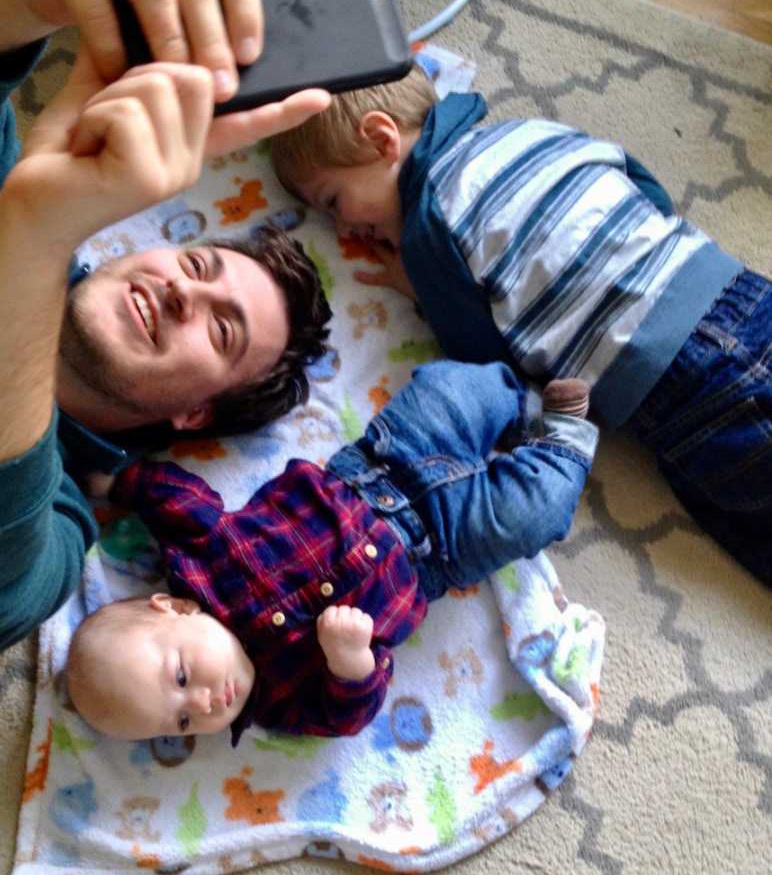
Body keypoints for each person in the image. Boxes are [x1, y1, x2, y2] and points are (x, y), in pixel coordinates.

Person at [0, 0, 334, 663]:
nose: (186, 294)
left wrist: (37, 230)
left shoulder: (52, 527)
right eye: (196, 265)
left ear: (191, 414)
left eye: (220, 331)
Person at [268, 67, 772, 586]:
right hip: (735, 289)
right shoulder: (531, 130)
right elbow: (639, 181)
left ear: (381, 139)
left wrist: (419, 286)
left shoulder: (428, 234)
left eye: (334, 203)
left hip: (675, 383)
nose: (346, 230)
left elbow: (487, 364)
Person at [66, 360, 598, 742]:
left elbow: (177, 498)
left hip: (378, 465)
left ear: (174, 608)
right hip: (441, 552)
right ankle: (563, 435)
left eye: (181, 678)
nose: (202, 704)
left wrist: (116, 484)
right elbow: (344, 716)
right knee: (536, 513)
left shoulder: (202, 560)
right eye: (182, 722)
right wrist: (350, 663)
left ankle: (517, 395)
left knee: (448, 391)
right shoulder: (279, 701)